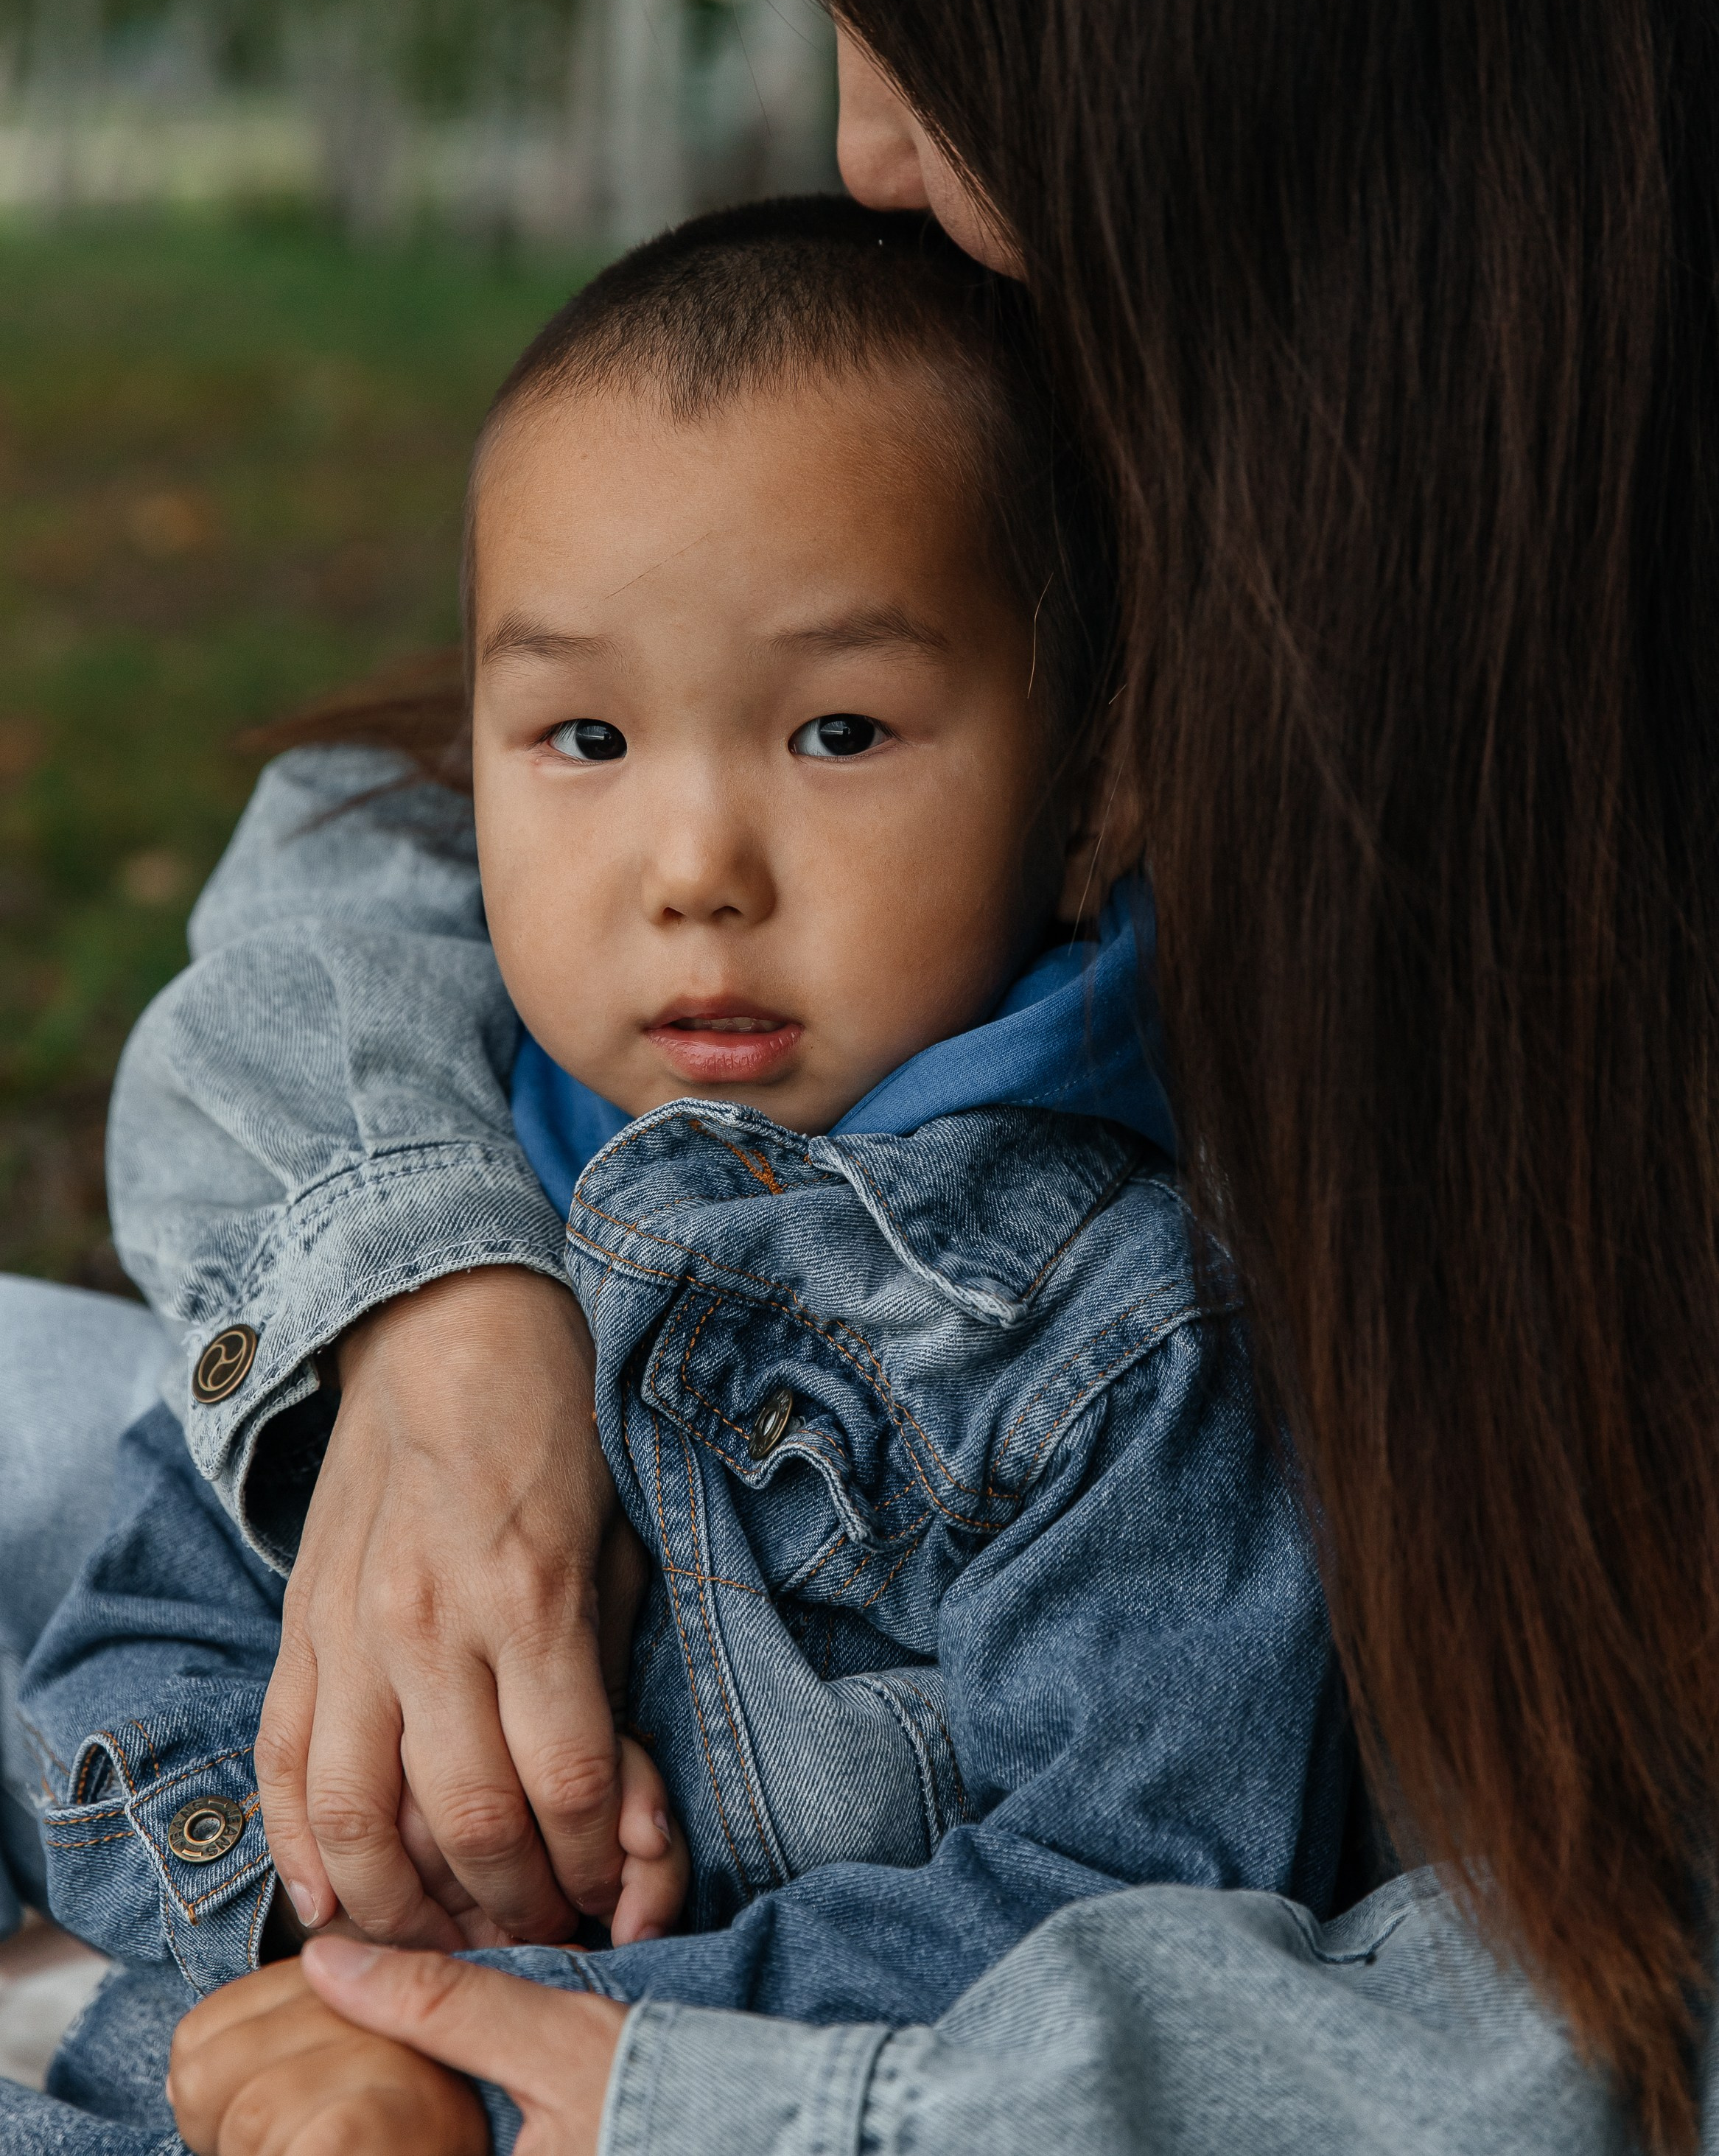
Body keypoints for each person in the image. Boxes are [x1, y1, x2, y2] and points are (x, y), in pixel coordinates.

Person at [4, 0, 1715, 2147]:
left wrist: (588, 2070)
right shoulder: (1165, 454)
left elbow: (1499, 2000)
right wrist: (440, 1319)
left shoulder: (1131, 1313)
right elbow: (382, 826)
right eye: (585, 734)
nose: (862, 145)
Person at [17, 198, 1347, 2117]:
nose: (694, 862)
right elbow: (142, 1626)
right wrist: (316, 1941)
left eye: (835, 727)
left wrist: (517, 2038)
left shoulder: (1111, 1339)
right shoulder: (470, 1164)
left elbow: (1133, 1904)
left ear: (1090, 793)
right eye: (583, 734)